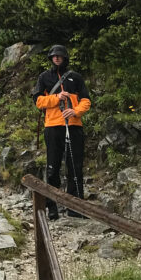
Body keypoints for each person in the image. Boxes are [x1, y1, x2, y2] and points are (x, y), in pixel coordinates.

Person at [33, 44, 91, 220]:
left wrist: (76, 111)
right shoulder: (44, 77)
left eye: (59, 55)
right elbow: (38, 101)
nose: (56, 58)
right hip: (52, 127)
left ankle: (76, 207)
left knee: (75, 166)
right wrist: (56, 98)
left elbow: (86, 100)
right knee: (53, 167)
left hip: (74, 126)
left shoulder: (76, 78)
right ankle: (52, 207)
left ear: (65, 58)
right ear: (51, 58)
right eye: (53, 56)